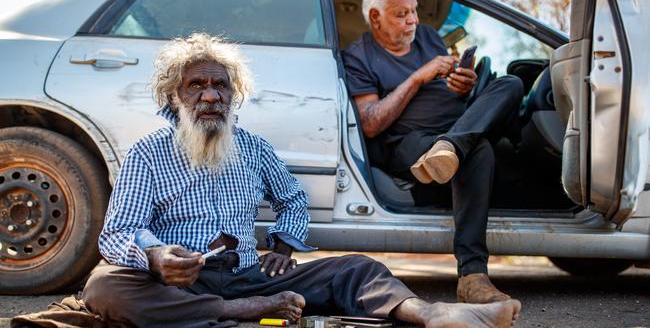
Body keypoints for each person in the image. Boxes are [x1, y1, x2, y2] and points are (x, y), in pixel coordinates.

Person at [81, 33, 521, 328]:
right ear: (174, 97)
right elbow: (117, 233)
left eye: (221, 86)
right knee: (104, 286)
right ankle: (237, 312)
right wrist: (156, 256)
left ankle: (433, 314)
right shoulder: (148, 152)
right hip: (178, 283)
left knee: (356, 267)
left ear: (235, 96)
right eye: (196, 85)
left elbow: (292, 199)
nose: (211, 95)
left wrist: (283, 244)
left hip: (246, 276)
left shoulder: (252, 148)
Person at [342, 0, 524, 304]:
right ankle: (473, 274)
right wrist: (418, 76)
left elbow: (448, 91)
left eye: (414, 11)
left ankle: (453, 145)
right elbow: (370, 124)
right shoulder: (359, 56)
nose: (412, 20)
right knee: (478, 149)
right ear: (375, 17)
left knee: (511, 83)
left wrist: (462, 85)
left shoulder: (427, 37)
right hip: (407, 144)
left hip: (452, 131)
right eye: (401, 14)